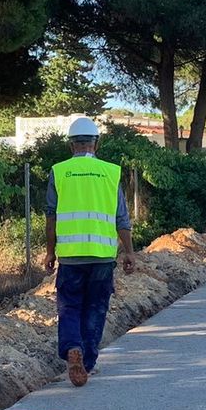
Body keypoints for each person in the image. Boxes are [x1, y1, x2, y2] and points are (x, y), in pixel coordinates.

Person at [44, 117, 136, 386]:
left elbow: (51, 217)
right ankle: (88, 362)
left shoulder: (59, 172)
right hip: (102, 256)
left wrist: (50, 252)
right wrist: (129, 252)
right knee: (95, 309)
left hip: (71, 256)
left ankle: (73, 346)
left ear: (70, 145)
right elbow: (122, 218)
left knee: (70, 306)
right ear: (97, 142)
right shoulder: (111, 172)